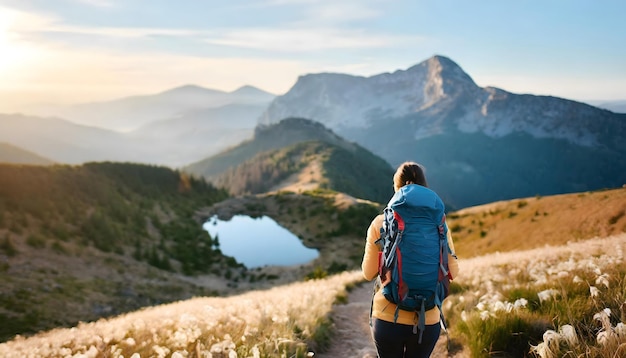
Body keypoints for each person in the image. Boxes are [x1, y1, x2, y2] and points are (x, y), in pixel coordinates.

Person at [361, 161, 460, 358]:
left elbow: (368, 273)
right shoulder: (439, 223)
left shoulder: (380, 222)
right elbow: (453, 272)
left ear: (398, 189)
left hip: (388, 316)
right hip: (428, 318)